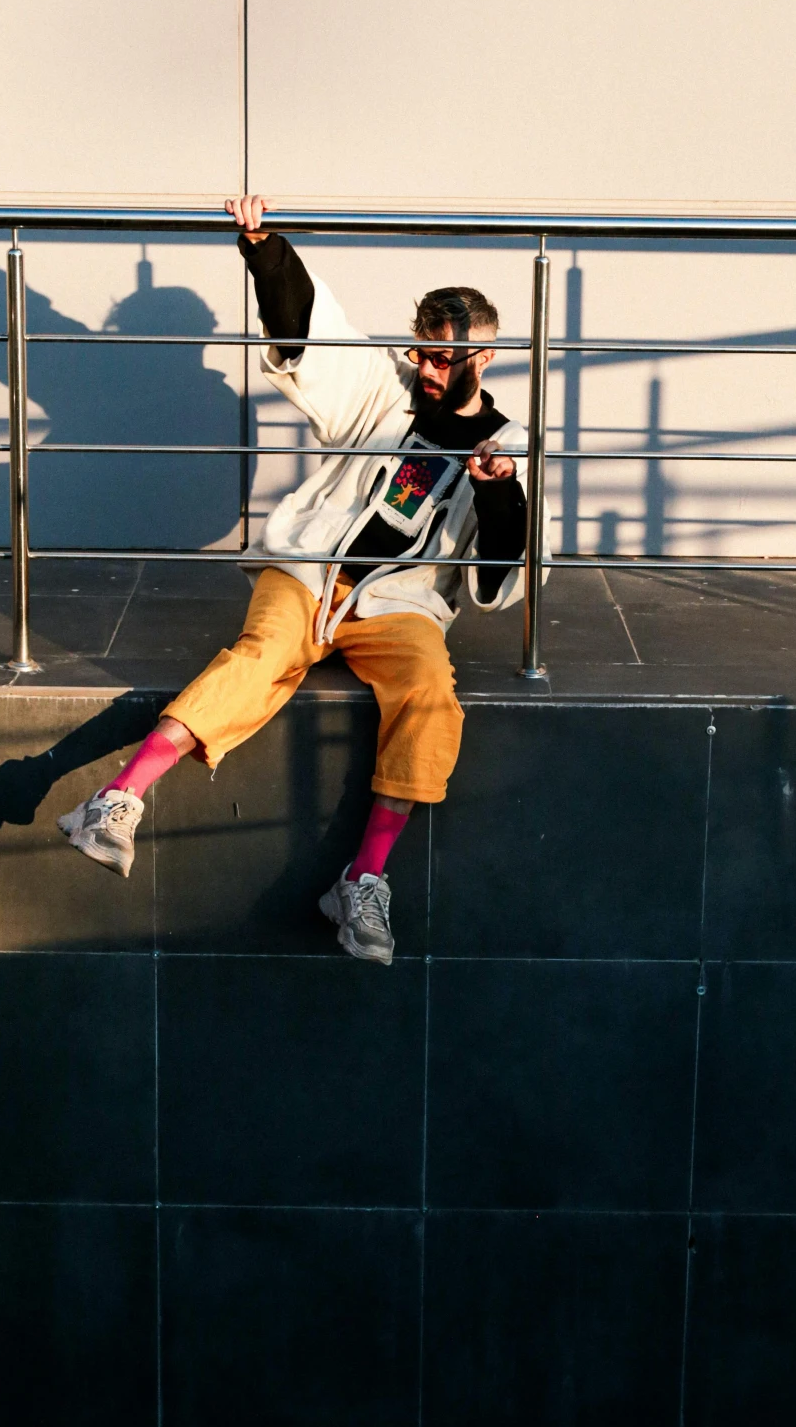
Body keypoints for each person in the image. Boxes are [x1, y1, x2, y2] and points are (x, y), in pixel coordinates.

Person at [57, 197, 531, 964]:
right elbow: (312, 332)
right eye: (422, 352)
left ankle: (363, 881)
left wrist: (498, 488)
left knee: (430, 696)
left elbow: (500, 572)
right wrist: (262, 245)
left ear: (486, 357)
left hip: (399, 604)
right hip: (311, 571)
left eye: (445, 358)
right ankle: (115, 801)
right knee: (262, 653)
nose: (428, 368)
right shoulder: (383, 392)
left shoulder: (509, 445)